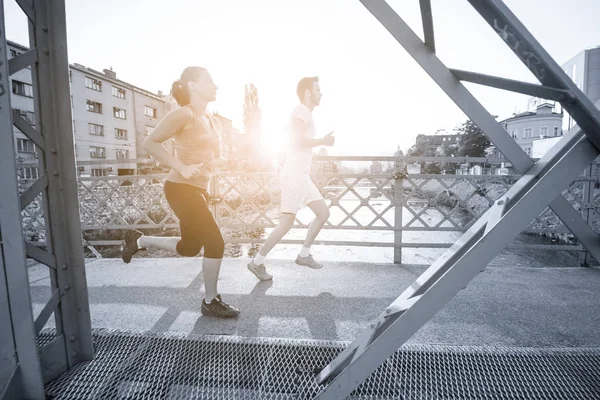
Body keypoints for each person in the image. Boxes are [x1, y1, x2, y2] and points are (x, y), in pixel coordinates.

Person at [120, 66, 239, 318]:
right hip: (180, 188)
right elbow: (149, 142)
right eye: (210, 80)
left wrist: (225, 162)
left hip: (198, 190)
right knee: (215, 242)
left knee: (189, 247)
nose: (216, 85)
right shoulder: (184, 114)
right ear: (193, 85)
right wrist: (181, 166)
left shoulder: (212, 120)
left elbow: (210, 156)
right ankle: (210, 301)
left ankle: (137, 240)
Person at [247, 76, 334, 281]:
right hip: (294, 176)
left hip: (302, 176)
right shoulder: (300, 111)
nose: (321, 93)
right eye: (318, 90)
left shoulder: (305, 114)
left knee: (323, 213)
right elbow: (297, 140)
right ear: (307, 92)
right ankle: (256, 262)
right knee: (286, 224)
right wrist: (323, 141)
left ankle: (304, 254)